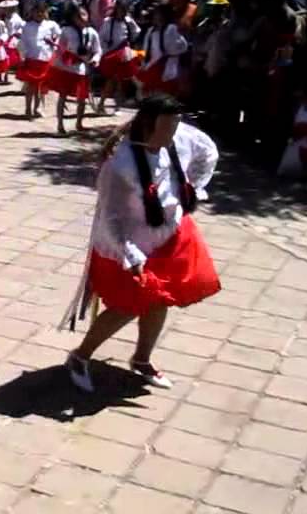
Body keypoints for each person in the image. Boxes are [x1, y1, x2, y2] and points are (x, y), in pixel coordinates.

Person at [62, 95, 220, 392]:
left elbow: (208, 152)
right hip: (132, 243)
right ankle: (80, 356)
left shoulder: (180, 138)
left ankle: (142, 359)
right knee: (128, 305)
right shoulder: (120, 166)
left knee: (161, 300)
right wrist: (131, 255)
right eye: (167, 128)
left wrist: (192, 189)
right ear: (148, 125)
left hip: (171, 235)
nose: (173, 134)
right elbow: (110, 218)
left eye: (175, 126)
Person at [47, 6, 102, 135]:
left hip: (83, 69)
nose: (82, 18)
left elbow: (97, 50)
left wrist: (95, 59)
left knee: (82, 98)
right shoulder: (66, 31)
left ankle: (79, 122)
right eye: (79, 15)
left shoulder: (92, 32)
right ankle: (60, 124)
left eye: (84, 14)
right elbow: (60, 48)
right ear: (73, 18)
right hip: (67, 69)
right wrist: (64, 57)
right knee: (63, 95)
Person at [96, 0, 143, 114]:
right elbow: (101, 37)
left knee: (121, 81)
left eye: (124, 9)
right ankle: (101, 103)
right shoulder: (108, 21)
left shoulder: (128, 21)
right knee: (111, 80)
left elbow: (137, 32)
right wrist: (105, 49)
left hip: (124, 54)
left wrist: (131, 42)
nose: (121, 12)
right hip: (111, 54)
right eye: (120, 9)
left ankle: (117, 106)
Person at [17, 1, 59, 119]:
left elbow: (59, 38)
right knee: (31, 86)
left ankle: (38, 107)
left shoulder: (51, 25)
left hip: (46, 59)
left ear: (46, 12)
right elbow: (22, 42)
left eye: (42, 12)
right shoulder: (27, 26)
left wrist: (54, 42)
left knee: (42, 86)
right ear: (33, 12)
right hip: (32, 58)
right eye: (37, 12)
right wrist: (22, 56)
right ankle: (28, 108)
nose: (39, 14)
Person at [137, 6, 188, 97]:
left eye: (158, 14)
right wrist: (143, 62)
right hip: (152, 64)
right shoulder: (151, 31)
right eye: (155, 14)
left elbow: (183, 46)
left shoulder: (171, 28)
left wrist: (170, 52)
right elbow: (146, 49)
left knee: (164, 91)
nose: (156, 17)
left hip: (166, 64)